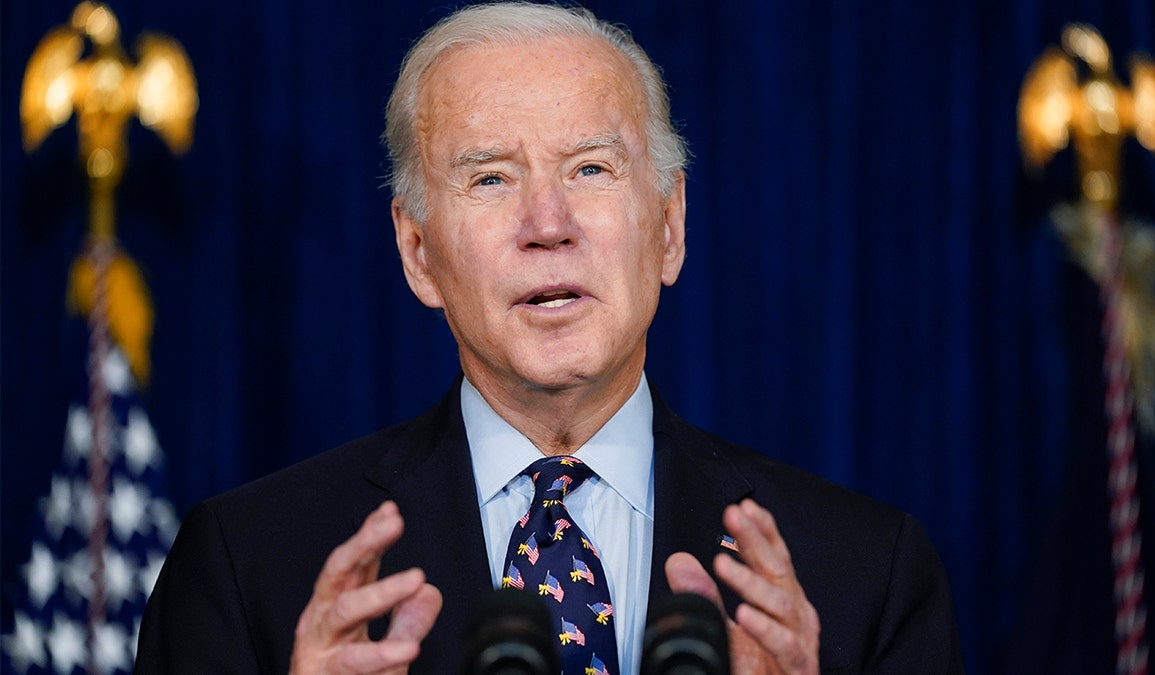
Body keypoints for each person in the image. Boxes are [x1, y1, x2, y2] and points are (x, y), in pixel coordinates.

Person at [135, 3, 963, 673]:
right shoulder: (251, 569)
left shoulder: (862, 577)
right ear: (417, 252)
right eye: (490, 176)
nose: (548, 224)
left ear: (669, 227)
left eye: (590, 169)